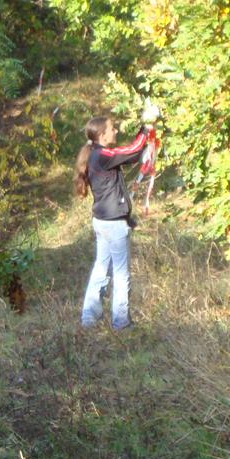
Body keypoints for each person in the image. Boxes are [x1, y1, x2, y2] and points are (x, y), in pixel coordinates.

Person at [75, 114, 155, 330]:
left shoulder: (96, 155)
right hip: (113, 223)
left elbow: (130, 155)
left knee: (101, 268)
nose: (116, 131)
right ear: (102, 135)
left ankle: (89, 319)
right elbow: (131, 151)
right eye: (112, 129)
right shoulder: (102, 155)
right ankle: (121, 323)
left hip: (103, 221)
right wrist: (146, 129)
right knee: (120, 273)